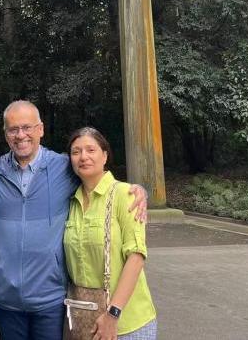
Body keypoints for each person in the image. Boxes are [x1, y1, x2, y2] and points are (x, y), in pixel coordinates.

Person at [0, 100, 148, 340]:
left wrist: (139, 189)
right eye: (13, 129)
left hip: (51, 299)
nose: (21, 135)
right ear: (5, 134)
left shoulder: (63, 167)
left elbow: (97, 176)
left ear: (40, 129)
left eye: (27, 127)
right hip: (5, 299)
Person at [63, 127, 157, 340]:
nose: (83, 157)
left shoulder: (126, 195)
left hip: (127, 323)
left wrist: (113, 315)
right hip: (83, 321)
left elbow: (136, 257)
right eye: (76, 152)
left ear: (105, 155)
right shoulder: (70, 202)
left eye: (90, 150)